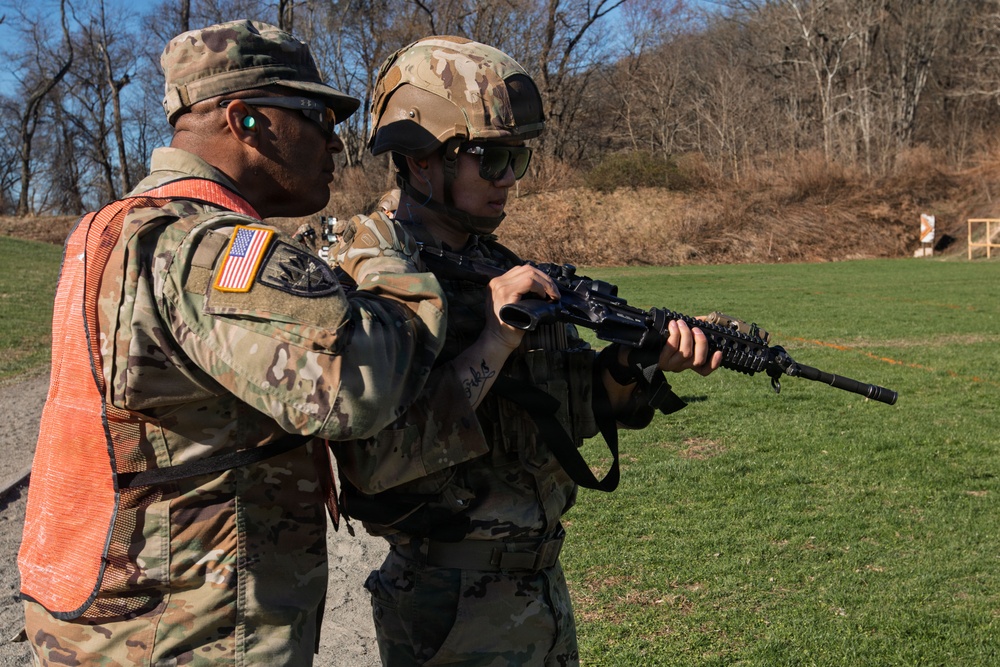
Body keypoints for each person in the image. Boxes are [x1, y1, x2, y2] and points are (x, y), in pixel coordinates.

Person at [17, 19, 451, 666]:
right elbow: (358, 388)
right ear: (245, 120)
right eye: (318, 117)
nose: (336, 141)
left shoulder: (116, 225)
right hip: (190, 634)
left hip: (109, 618)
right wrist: (387, 264)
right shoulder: (212, 248)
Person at [331, 36, 722, 666]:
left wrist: (637, 363)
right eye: (490, 159)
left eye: (518, 158)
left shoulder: (491, 260)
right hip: (449, 604)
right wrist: (495, 337)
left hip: (535, 589)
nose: (509, 178)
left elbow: (565, 405)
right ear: (422, 158)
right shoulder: (371, 271)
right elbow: (378, 456)